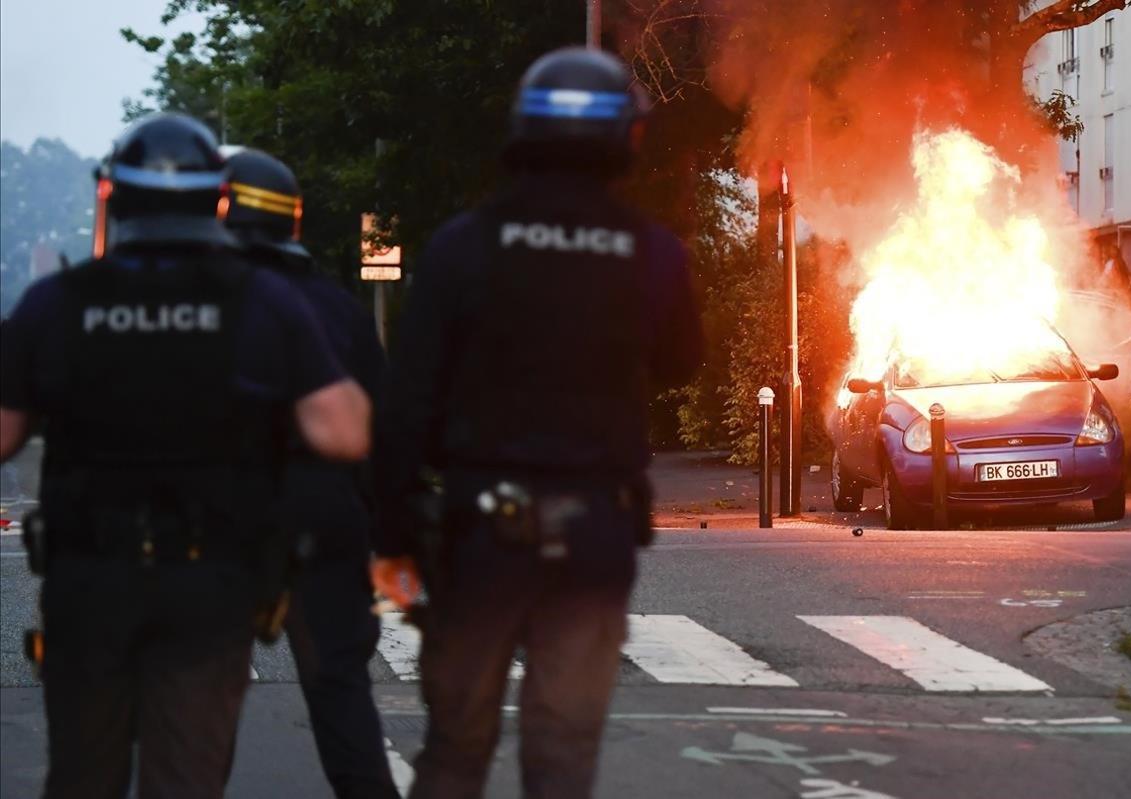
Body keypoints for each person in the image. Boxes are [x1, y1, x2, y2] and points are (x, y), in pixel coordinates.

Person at [0, 112, 371, 799]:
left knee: (82, 774)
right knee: (187, 778)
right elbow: (344, 431)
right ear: (218, 200)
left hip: (89, 580)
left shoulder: (59, 302)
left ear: (112, 197)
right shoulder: (264, 301)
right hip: (212, 582)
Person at [371, 47, 703, 798]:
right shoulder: (651, 251)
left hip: (478, 534)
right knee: (561, 756)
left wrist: (392, 532)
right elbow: (684, 361)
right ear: (627, 137)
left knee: (455, 749)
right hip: (593, 535)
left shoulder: (464, 244)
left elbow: (405, 404)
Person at [222, 147, 398, 799]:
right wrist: (384, 535)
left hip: (221, 528)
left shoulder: (195, 305)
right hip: (324, 522)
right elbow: (381, 437)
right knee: (341, 700)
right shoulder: (338, 308)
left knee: (198, 714)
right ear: (291, 222)